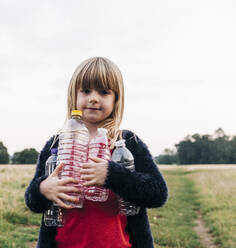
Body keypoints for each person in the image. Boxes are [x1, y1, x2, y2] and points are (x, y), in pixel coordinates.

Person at [25, 57, 168, 248]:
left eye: (104, 92)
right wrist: (42, 189)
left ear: (116, 99)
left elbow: (157, 193)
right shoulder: (57, 144)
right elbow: (33, 202)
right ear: (73, 96)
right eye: (86, 90)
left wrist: (113, 175)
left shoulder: (128, 143)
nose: (94, 98)